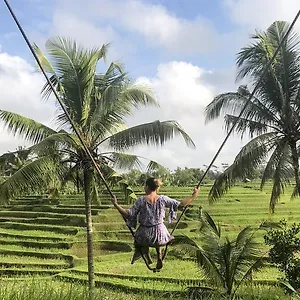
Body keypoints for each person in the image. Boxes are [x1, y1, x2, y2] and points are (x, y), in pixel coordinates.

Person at [111, 177, 200, 270]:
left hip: (144, 236)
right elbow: (181, 205)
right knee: (160, 234)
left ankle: (144, 254)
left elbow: (128, 215)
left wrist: (116, 204)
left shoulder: (141, 200)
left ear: (147, 187)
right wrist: (194, 195)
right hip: (161, 236)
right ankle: (159, 256)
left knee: (138, 240)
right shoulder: (163, 199)